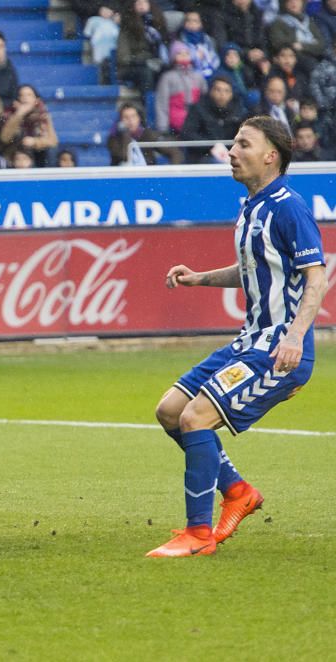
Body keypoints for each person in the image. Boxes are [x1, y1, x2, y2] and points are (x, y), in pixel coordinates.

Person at [150, 115, 328, 558]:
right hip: (249, 341)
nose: (231, 152)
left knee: (195, 419)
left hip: (278, 351)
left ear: (271, 156)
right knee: (170, 411)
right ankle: (237, 491)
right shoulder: (252, 206)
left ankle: (198, 534)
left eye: (242, 145)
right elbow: (253, 271)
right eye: (233, 144)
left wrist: (295, 336)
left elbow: (317, 278)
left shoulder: (289, 206)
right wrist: (198, 279)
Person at [0, 84, 58, 167]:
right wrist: (20, 113)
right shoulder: (8, 113)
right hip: (13, 153)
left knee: (51, 150)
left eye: (29, 95)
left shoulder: (43, 115)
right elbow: (4, 138)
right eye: (21, 95)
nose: (25, 98)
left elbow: (53, 141)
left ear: (36, 100)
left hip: (34, 153)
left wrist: (35, 142)